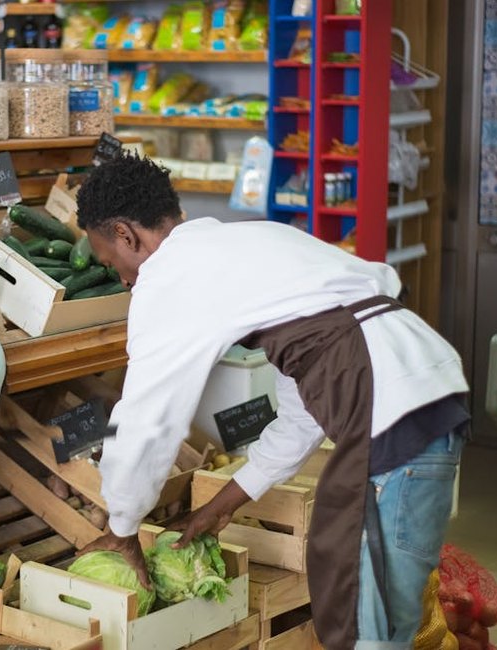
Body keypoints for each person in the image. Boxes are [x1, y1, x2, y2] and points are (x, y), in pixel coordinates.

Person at [76, 154, 470, 650]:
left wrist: (123, 526)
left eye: (114, 263)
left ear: (126, 234)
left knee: (371, 628)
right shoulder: (246, 243)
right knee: (372, 615)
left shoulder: (169, 275)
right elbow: (304, 415)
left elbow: (145, 417)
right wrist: (221, 506)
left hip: (391, 415)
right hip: (423, 395)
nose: (124, 280)